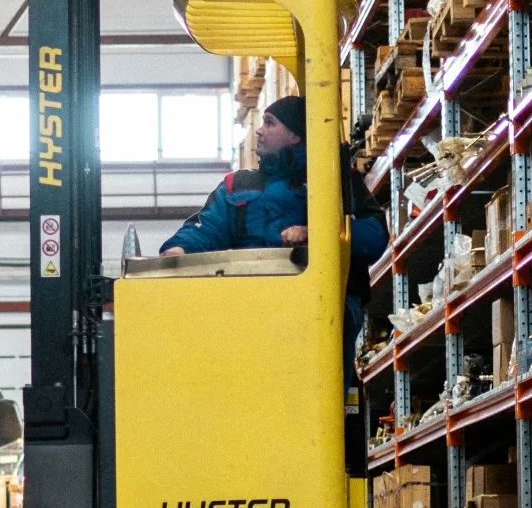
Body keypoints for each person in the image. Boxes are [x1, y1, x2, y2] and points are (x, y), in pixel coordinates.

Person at [158, 95, 390, 389]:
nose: (259, 129)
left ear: (295, 135)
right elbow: (206, 228)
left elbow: (375, 234)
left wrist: (316, 234)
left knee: (321, 386)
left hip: (323, 303)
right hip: (253, 301)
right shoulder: (237, 184)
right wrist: (179, 249)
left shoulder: (336, 179)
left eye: (270, 123)